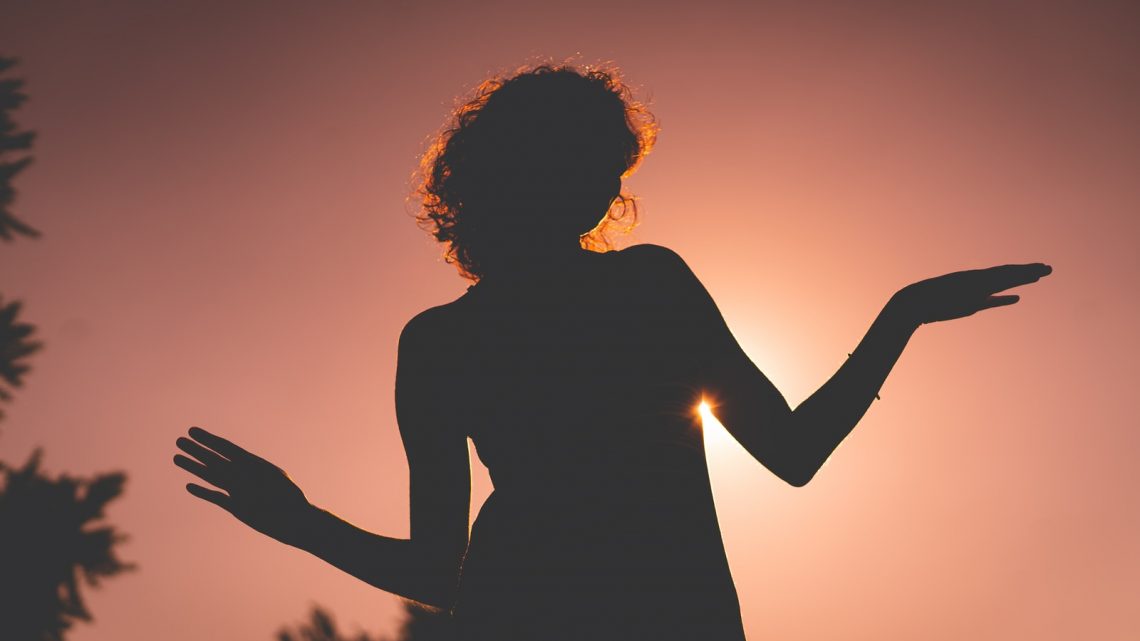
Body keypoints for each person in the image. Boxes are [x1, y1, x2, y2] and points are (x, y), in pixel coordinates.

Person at [173, 63, 1051, 641]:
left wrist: (900, 315)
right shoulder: (605, 298)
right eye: (591, 162)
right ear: (518, 176)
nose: (606, 187)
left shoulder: (468, 334)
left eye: (611, 168)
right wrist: (295, 521)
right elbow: (443, 570)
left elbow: (791, 455)